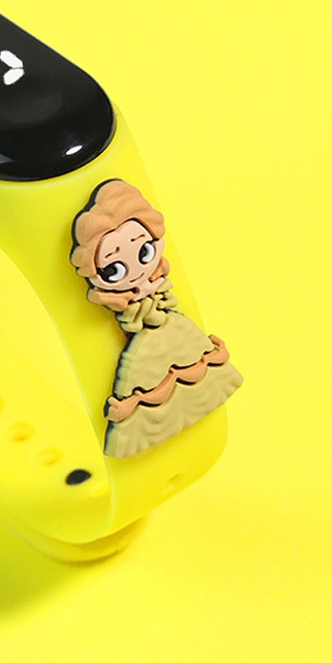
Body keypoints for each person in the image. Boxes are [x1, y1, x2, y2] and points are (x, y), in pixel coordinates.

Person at [70, 179, 242, 459]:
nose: (137, 269)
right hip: (148, 347)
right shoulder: (132, 309)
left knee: (195, 363)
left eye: (144, 251)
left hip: (174, 331)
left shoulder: (160, 295)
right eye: (113, 269)